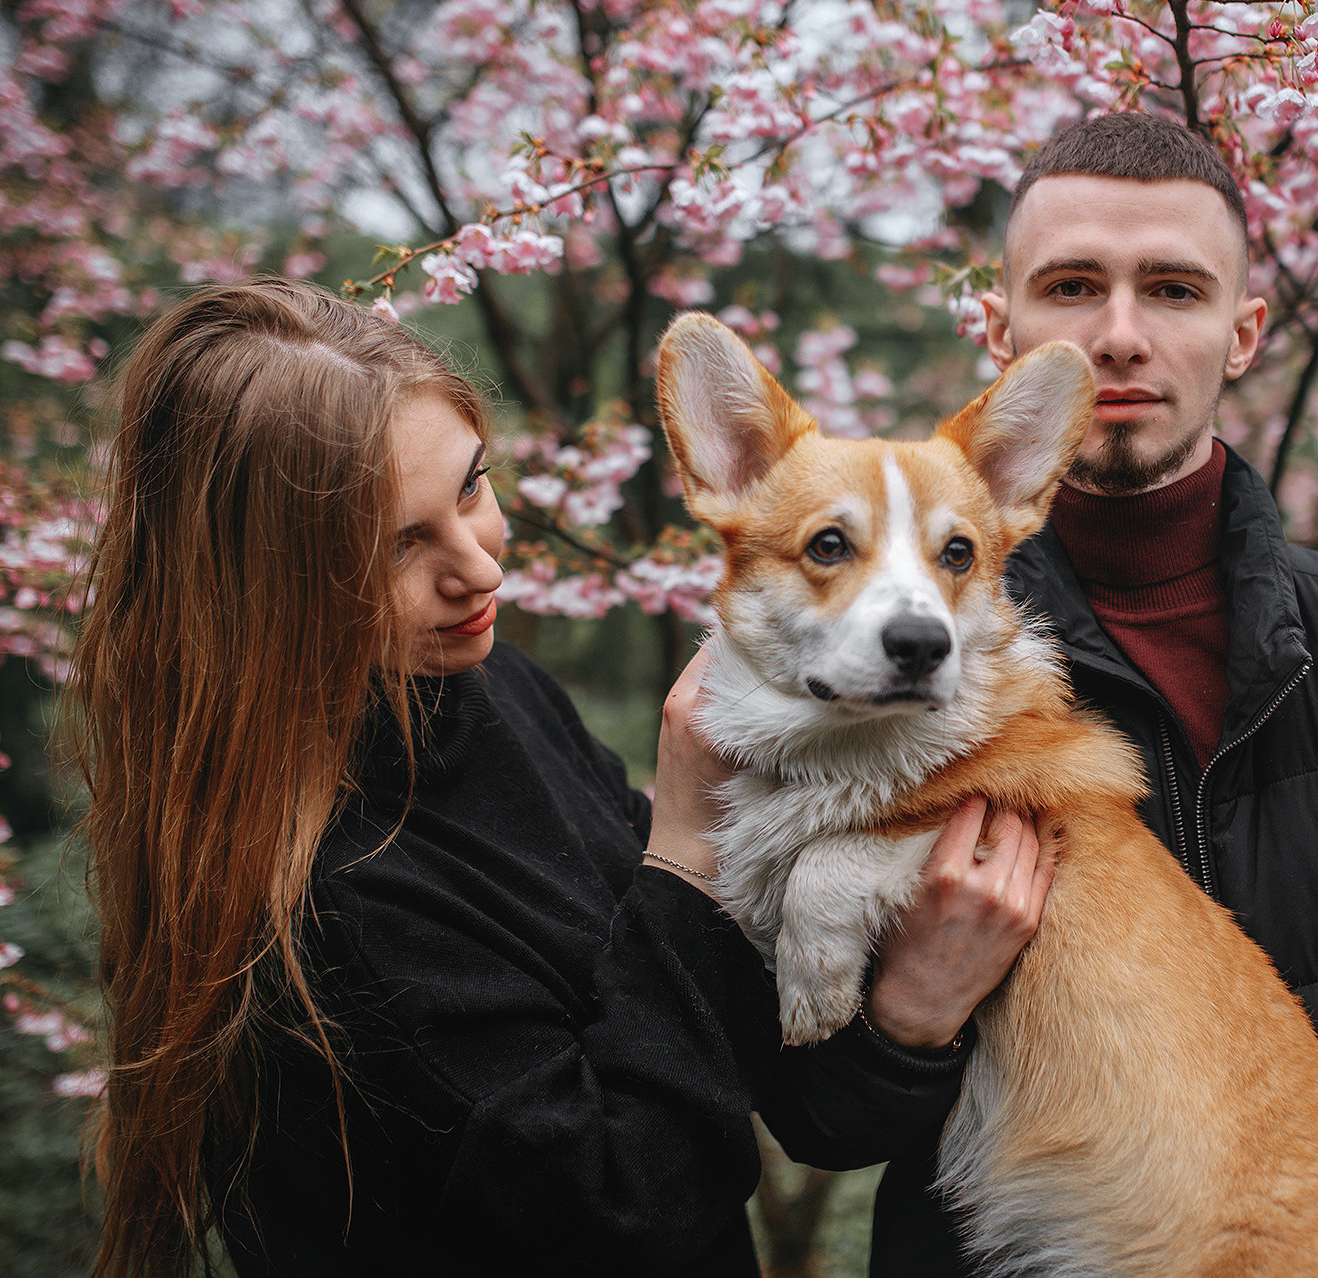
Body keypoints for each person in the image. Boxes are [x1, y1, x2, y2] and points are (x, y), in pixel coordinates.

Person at [764, 113, 1318, 1276]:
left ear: (1242, 334)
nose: (1119, 336)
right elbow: (815, 1120)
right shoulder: (859, 676)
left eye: (1173, 291)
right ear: (997, 329)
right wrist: (907, 1022)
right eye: (1071, 287)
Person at [68, 277, 1054, 1277]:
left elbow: (750, 1063)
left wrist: (906, 1018)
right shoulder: (331, 905)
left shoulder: (486, 689)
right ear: (263, 580)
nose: (480, 568)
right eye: (398, 543)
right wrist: (684, 851)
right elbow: (628, 1212)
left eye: (470, 487)